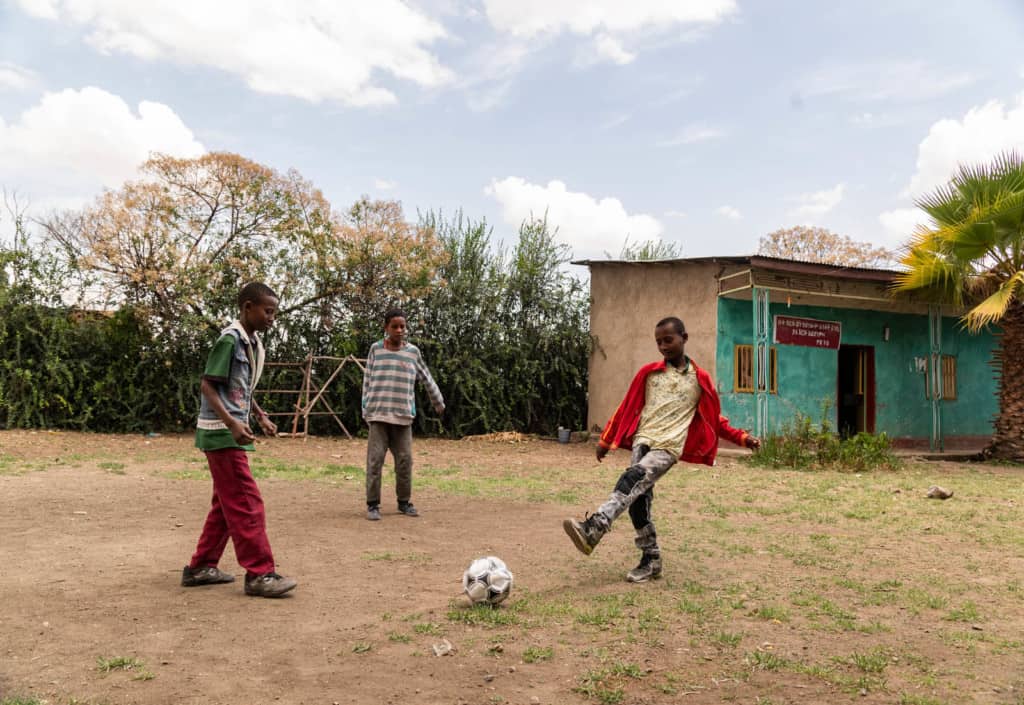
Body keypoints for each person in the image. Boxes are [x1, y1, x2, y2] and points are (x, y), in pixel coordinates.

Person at [563, 316, 761, 583]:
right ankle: (651, 559)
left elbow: (716, 421)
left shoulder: (699, 380)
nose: (664, 346)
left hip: (668, 447)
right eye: (658, 342)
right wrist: (606, 439)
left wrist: (743, 438)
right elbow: (627, 408)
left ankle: (595, 527)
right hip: (642, 440)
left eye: (668, 340)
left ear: (684, 338)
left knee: (631, 478)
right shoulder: (649, 373)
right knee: (636, 501)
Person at [181, 282, 297, 598]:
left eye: (275, 312)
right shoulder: (230, 341)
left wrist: (259, 415)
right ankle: (260, 573)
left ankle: (201, 566)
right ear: (247, 307)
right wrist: (232, 422)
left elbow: (241, 388)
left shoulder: (251, 343)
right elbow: (207, 385)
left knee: (225, 503)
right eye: (267, 311)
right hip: (221, 433)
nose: (272, 317)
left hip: (231, 430)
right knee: (246, 501)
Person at [362, 308, 445, 521]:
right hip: (378, 414)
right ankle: (373, 504)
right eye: (395, 326)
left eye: (403, 326)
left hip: (403, 415)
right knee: (375, 461)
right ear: (386, 328)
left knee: (405, 461)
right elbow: (368, 380)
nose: (399, 330)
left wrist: (438, 401)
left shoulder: (412, 352)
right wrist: (366, 409)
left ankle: (404, 502)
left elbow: (426, 377)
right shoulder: (376, 350)